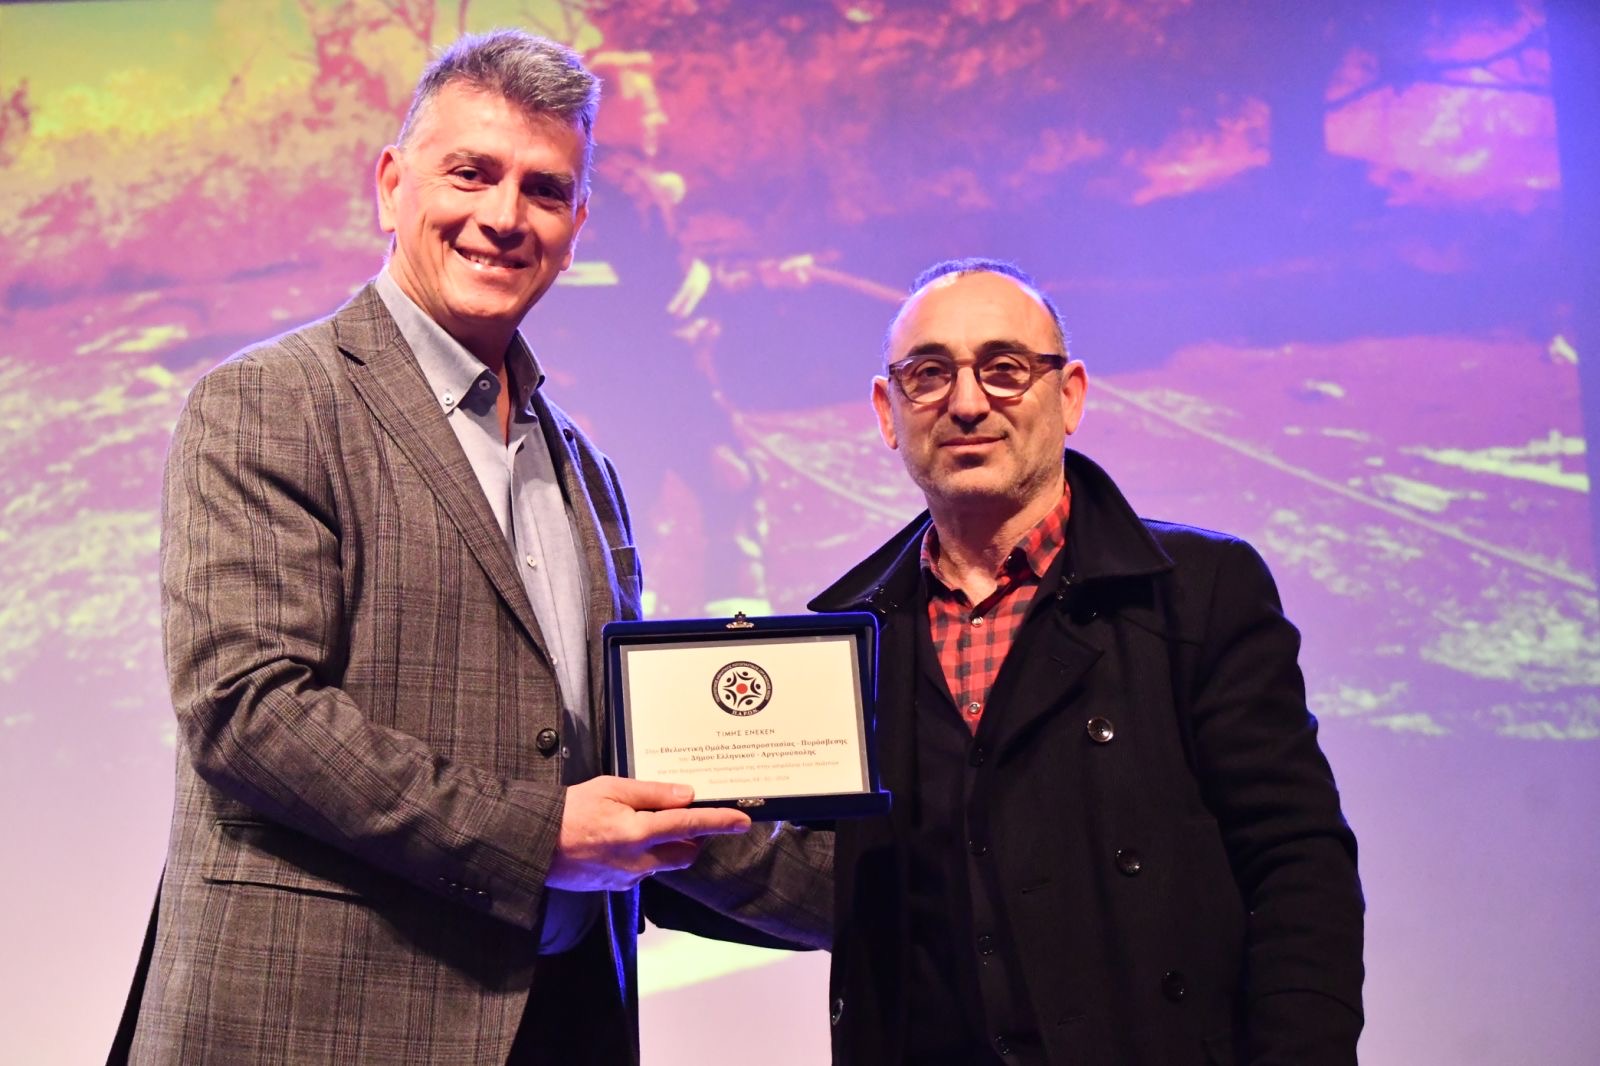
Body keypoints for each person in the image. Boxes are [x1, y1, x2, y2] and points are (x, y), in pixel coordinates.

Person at [112, 30, 828, 1066]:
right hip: (326, 1027)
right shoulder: (270, 399)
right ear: (391, 185)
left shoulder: (585, 467)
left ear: (575, 230)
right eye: (471, 172)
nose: (504, 215)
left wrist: (917, 895)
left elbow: (625, 766)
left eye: (545, 189)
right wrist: (540, 837)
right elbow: (249, 709)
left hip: (565, 1016)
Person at [808, 258, 1364, 1065]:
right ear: (887, 412)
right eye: (928, 375)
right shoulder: (848, 638)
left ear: (1069, 396)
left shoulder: (1200, 593)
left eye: (1004, 368)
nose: (967, 403)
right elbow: (809, 873)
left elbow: (1298, 865)